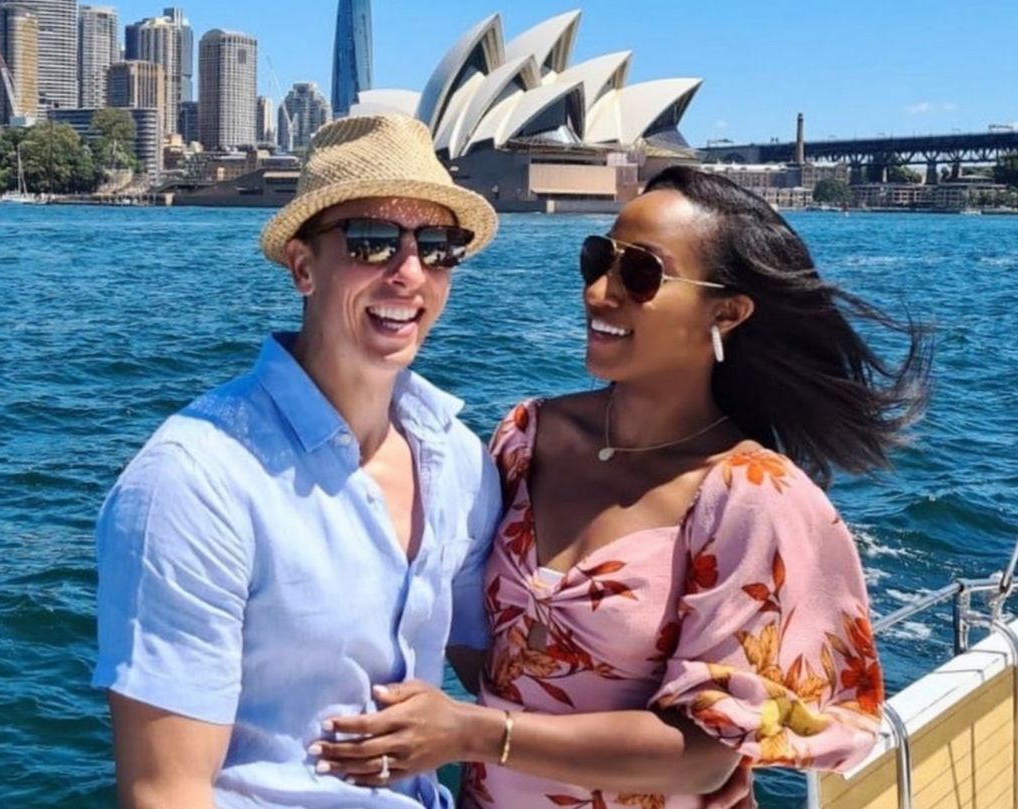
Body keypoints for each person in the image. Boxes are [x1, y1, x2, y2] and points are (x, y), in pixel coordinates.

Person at [312, 167, 931, 808]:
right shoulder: (529, 436)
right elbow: (495, 650)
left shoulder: (752, 497)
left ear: (728, 312)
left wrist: (475, 733)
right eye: (597, 260)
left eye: (640, 275)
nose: (600, 292)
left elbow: (700, 754)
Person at [92, 114, 504, 809]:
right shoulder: (195, 480)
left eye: (437, 247)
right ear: (304, 267)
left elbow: (501, 668)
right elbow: (166, 793)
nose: (409, 273)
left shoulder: (458, 459)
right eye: (373, 242)